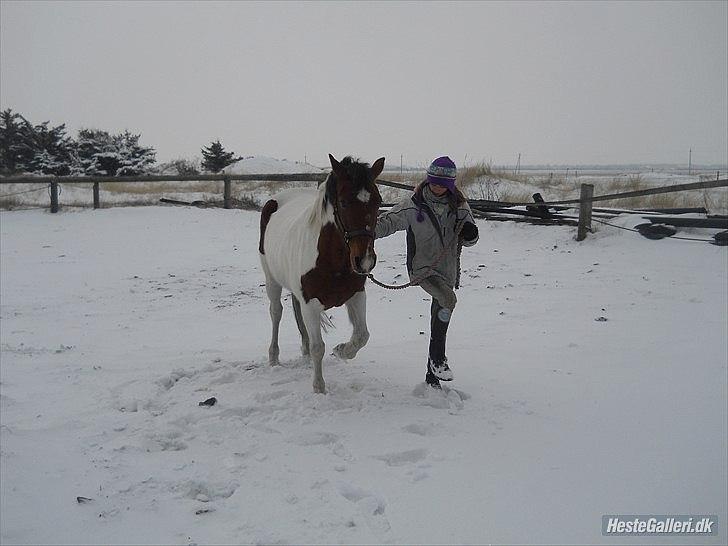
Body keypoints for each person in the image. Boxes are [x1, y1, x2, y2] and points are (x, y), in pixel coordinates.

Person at [375, 156, 479, 388]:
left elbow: (471, 238)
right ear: (428, 179)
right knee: (448, 299)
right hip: (423, 270)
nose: (437, 186)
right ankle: (438, 359)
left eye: (443, 183)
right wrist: (362, 232)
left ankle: (432, 377)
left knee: (440, 312)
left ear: (451, 185)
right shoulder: (414, 204)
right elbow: (387, 223)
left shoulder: (460, 206)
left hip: (447, 271)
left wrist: (470, 233)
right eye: (434, 181)